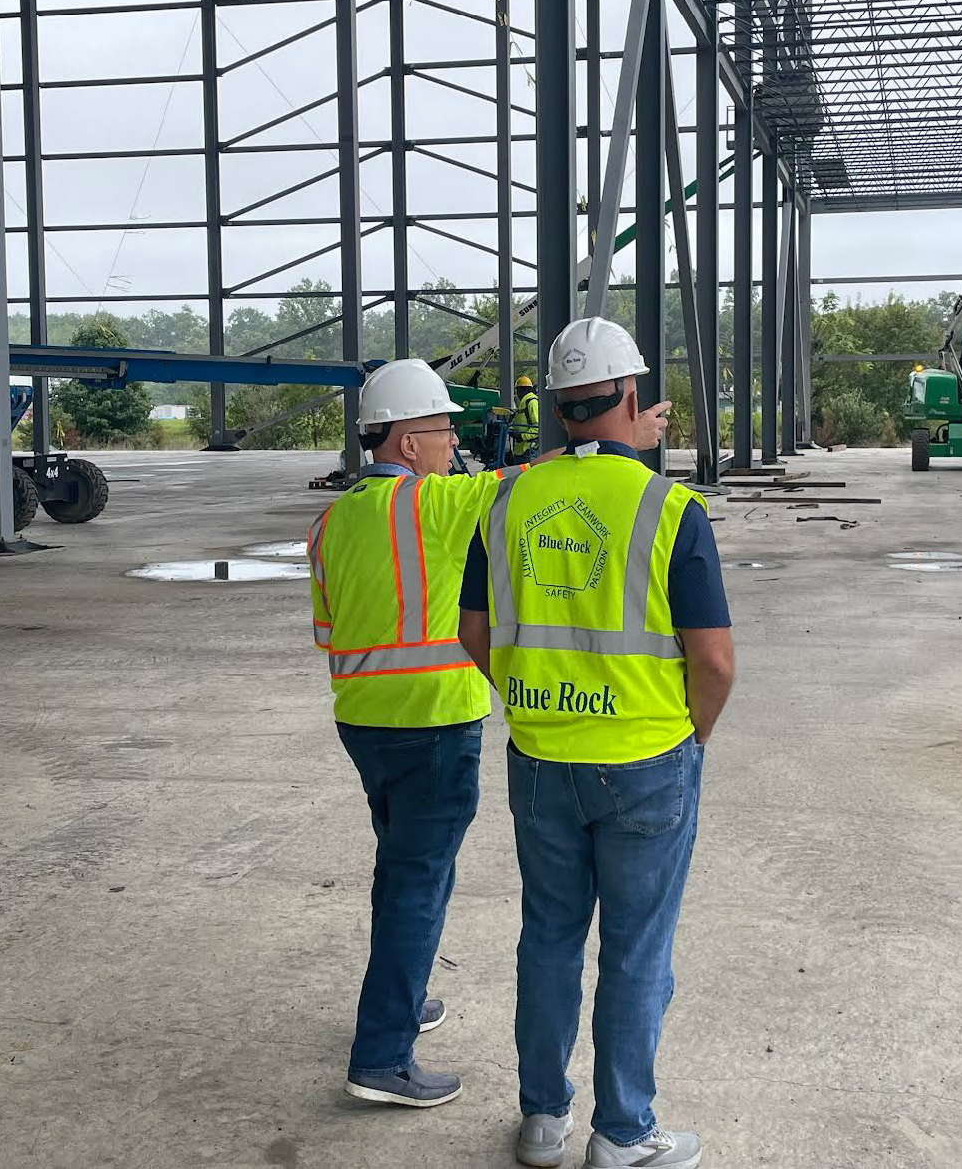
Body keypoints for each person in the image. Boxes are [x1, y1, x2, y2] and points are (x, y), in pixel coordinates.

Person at [308, 358, 666, 1112]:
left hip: (360, 719)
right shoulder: (433, 505)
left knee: (399, 865)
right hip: (432, 717)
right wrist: (620, 436)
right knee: (418, 881)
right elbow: (533, 478)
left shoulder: (330, 520)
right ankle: (381, 1055)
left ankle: (401, 996)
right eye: (442, 431)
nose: (451, 445)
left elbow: (326, 629)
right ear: (406, 444)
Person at [459, 317, 733, 1169]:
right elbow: (714, 660)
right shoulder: (668, 507)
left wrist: (531, 695)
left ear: (560, 408)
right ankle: (622, 1132)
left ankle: (543, 1122)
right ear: (626, 396)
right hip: (647, 758)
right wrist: (690, 735)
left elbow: (473, 630)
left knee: (547, 934)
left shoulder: (506, 500)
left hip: (539, 755)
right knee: (635, 948)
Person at [510, 375, 540, 462]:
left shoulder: (532, 402)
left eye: (519, 390)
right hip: (521, 450)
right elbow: (517, 422)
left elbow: (538, 427)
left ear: (525, 390)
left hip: (528, 449)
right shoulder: (523, 403)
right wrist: (512, 430)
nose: (518, 394)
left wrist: (522, 436)